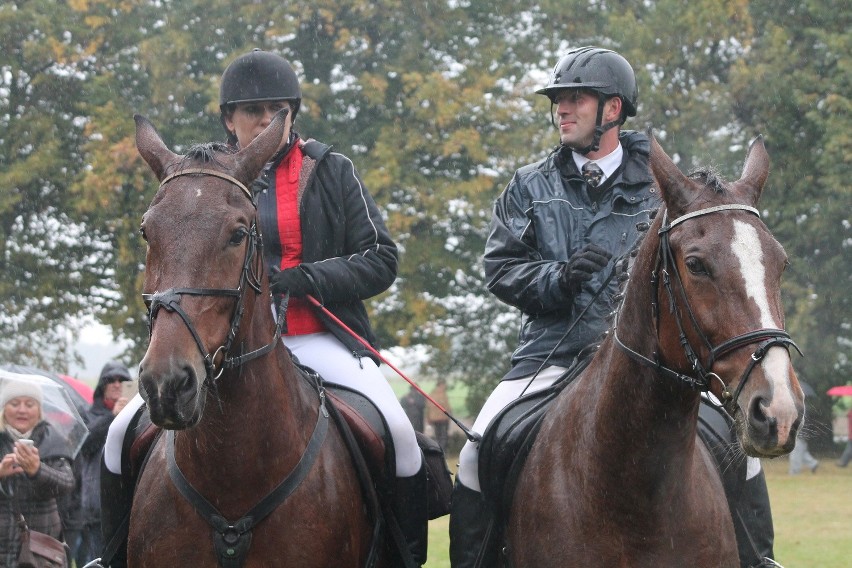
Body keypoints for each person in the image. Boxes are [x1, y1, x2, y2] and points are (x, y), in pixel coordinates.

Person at [449, 46, 777, 568]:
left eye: (575, 99)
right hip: (551, 355)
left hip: (655, 364)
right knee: (474, 453)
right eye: (558, 100)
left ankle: (758, 561)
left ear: (613, 109)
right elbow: (501, 268)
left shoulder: (667, 189)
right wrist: (556, 279)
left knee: (747, 463)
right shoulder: (528, 186)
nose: (562, 109)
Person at [99, 49, 427, 567]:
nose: (268, 119)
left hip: (315, 336)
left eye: (279, 108)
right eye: (254, 109)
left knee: (402, 437)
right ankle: (109, 558)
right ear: (229, 119)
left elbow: (381, 258)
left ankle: (402, 559)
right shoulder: (200, 182)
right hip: (221, 344)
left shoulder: (331, 170)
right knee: (119, 435)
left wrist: (305, 278)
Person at [0, 377, 74, 565]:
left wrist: (37, 470)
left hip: (40, 548)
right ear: (3, 409)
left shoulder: (54, 440)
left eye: (29, 404)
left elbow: (66, 484)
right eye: (14, 403)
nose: (22, 410)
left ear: (39, 410)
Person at [79, 361, 131, 565]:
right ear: (102, 386)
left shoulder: (140, 416)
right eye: (111, 380)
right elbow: (85, 444)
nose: (117, 384)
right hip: (98, 508)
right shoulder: (88, 414)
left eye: (123, 380)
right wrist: (113, 417)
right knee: (98, 562)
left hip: (128, 505)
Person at [427, 379, 451, 451]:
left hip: (434, 418)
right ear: (441, 385)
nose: (445, 386)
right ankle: (442, 451)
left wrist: (428, 418)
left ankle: (439, 450)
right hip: (442, 418)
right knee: (443, 436)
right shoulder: (442, 394)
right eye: (444, 385)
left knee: (438, 436)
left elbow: (428, 408)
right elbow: (447, 407)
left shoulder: (432, 394)